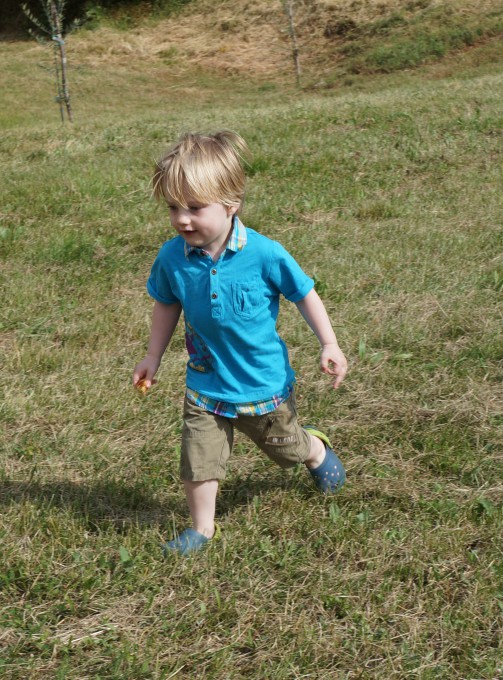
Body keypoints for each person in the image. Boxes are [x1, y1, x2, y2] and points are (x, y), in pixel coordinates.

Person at [132, 130, 349, 556]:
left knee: (285, 450)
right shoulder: (172, 258)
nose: (181, 219)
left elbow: (304, 293)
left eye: (195, 208)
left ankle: (313, 449)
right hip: (205, 382)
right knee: (198, 459)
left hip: (260, 383)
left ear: (231, 206)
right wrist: (153, 355)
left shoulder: (265, 254)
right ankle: (202, 529)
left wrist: (329, 343)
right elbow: (165, 304)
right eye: (173, 207)